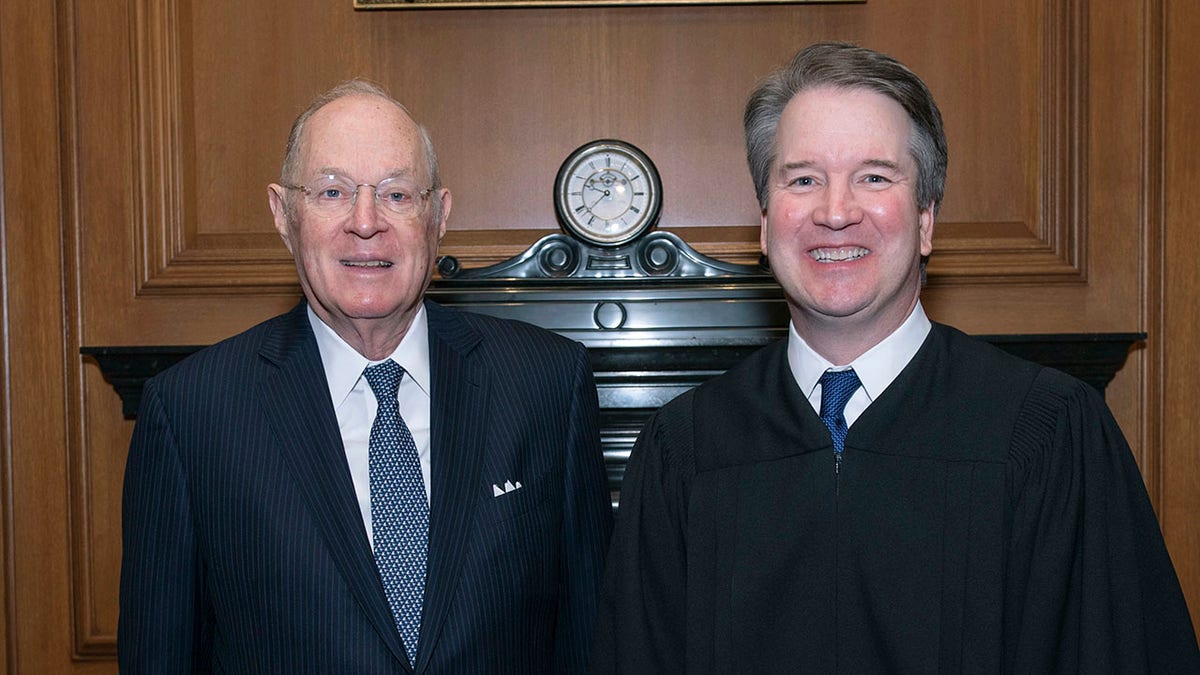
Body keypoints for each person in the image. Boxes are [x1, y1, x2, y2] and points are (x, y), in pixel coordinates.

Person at [591, 42, 1199, 673]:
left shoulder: (1045, 433)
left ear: (927, 218)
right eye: (803, 180)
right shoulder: (686, 449)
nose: (835, 213)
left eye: (874, 177)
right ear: (766, 223)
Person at [119, 79, 612, 673]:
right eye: (331, 192)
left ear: (440, 216)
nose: (366, 222)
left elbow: (593, 641)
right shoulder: (192, 412)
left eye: (398, 195)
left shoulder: (547, 385)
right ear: (282, 213)